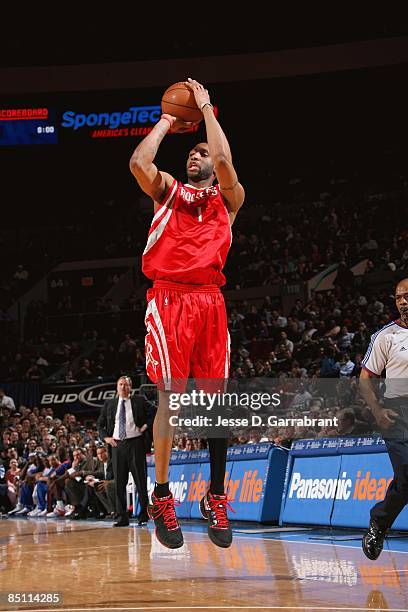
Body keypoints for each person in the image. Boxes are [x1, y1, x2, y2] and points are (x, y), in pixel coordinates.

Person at [129, 78, 245, 549]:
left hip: (209, 303)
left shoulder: (229, 200)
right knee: (170, 399)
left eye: (200, 151)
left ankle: (216, 495)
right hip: (169, 297)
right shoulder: (168, 192)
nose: (194, 157)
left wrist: (207, 109)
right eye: (190, 152)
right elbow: (139, 162)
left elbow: (223, 160)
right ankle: (161, 495)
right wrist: (167, 121)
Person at [360, 278, 408, 560]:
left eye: (407, 296)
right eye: (399, 297)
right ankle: (380, 521)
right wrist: (378, 411)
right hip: (397, 412)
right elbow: (365, 378)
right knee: (407, 472)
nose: (403, 301)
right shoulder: (385, 337)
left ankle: (379, 520)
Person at [97, 376, 151, 527]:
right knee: (119, 483)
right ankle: (122, 517)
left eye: (126, 385)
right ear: (117, 387)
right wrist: (106, 438)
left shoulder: (139, 400)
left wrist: (145, 426)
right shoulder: (110, 404)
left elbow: (154, 412)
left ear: (130, 387)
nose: (123, 387)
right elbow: (100, 424)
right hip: (117, 446)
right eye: (120, 384)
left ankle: (143, 516)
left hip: (135, 444)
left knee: (140, 481)